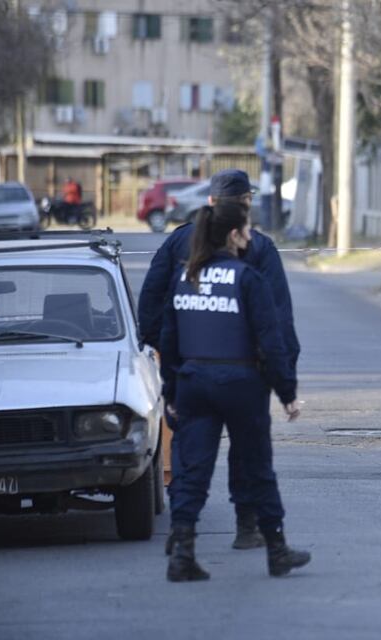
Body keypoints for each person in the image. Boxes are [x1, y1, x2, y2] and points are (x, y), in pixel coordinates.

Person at [139, 169, 300, 551]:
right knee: (250, 454)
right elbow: (277, 321)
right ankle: (249, 528)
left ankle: (182, 540)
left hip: (190, 372)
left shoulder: (178, 242)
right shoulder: (257, 249)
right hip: (245, 374)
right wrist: (284, 379)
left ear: (209, 202)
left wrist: (166, 357)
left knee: (189, 452)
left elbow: (151, 305)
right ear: (244, 204)